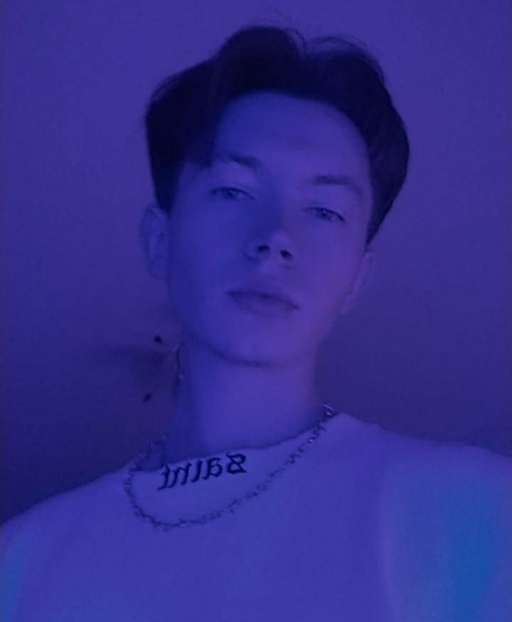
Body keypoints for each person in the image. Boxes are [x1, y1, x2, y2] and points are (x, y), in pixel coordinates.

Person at [1, 23, 510, 622]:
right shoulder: (22, 563)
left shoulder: (475, 514)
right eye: (233, 192)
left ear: (356, 277)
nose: (275, 238)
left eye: (324, 210)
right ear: (160, 239)